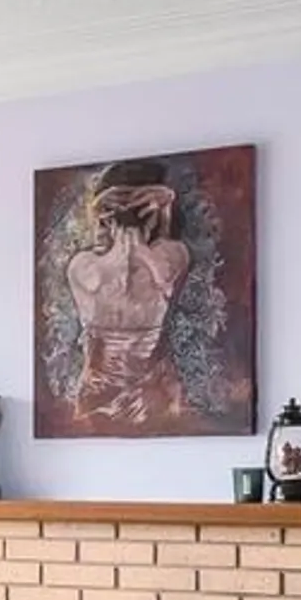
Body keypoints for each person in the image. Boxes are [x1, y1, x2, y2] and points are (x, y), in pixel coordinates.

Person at [65, 165, 190, 427]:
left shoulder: (83, 268)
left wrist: (99, 217)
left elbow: (111, 263)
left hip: (100, 399)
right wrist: (161, 217)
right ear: (153, 214)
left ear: (106, 219)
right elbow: (164, 277)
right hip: (154, 399)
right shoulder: (169, 257)